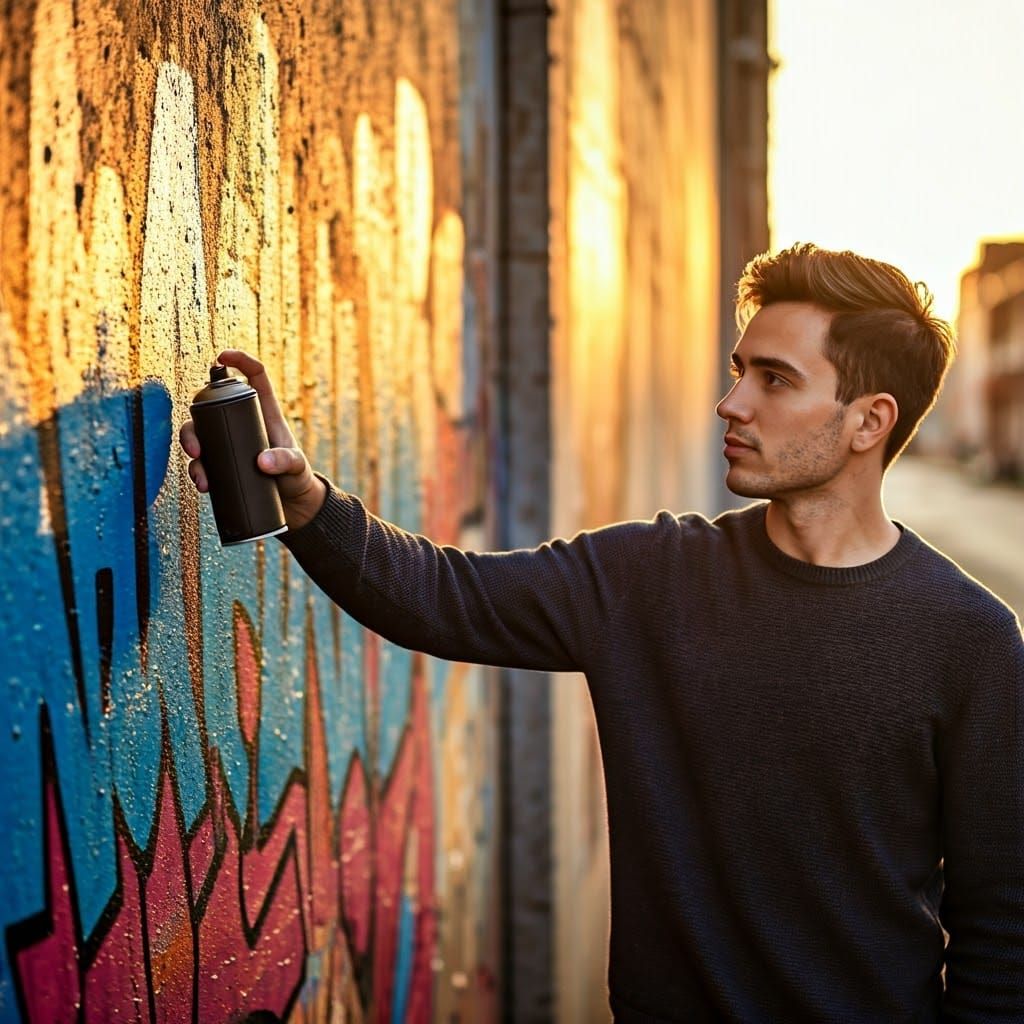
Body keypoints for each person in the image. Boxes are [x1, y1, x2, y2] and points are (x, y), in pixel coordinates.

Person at [180, 243, 1024, 1022]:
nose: (730, 404)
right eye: (739, 373)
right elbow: (442, 595)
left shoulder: (970, 641)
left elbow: (1001, 921)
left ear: (869, 422)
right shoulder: (650, 577)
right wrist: (308, 509)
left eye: (774, 380)